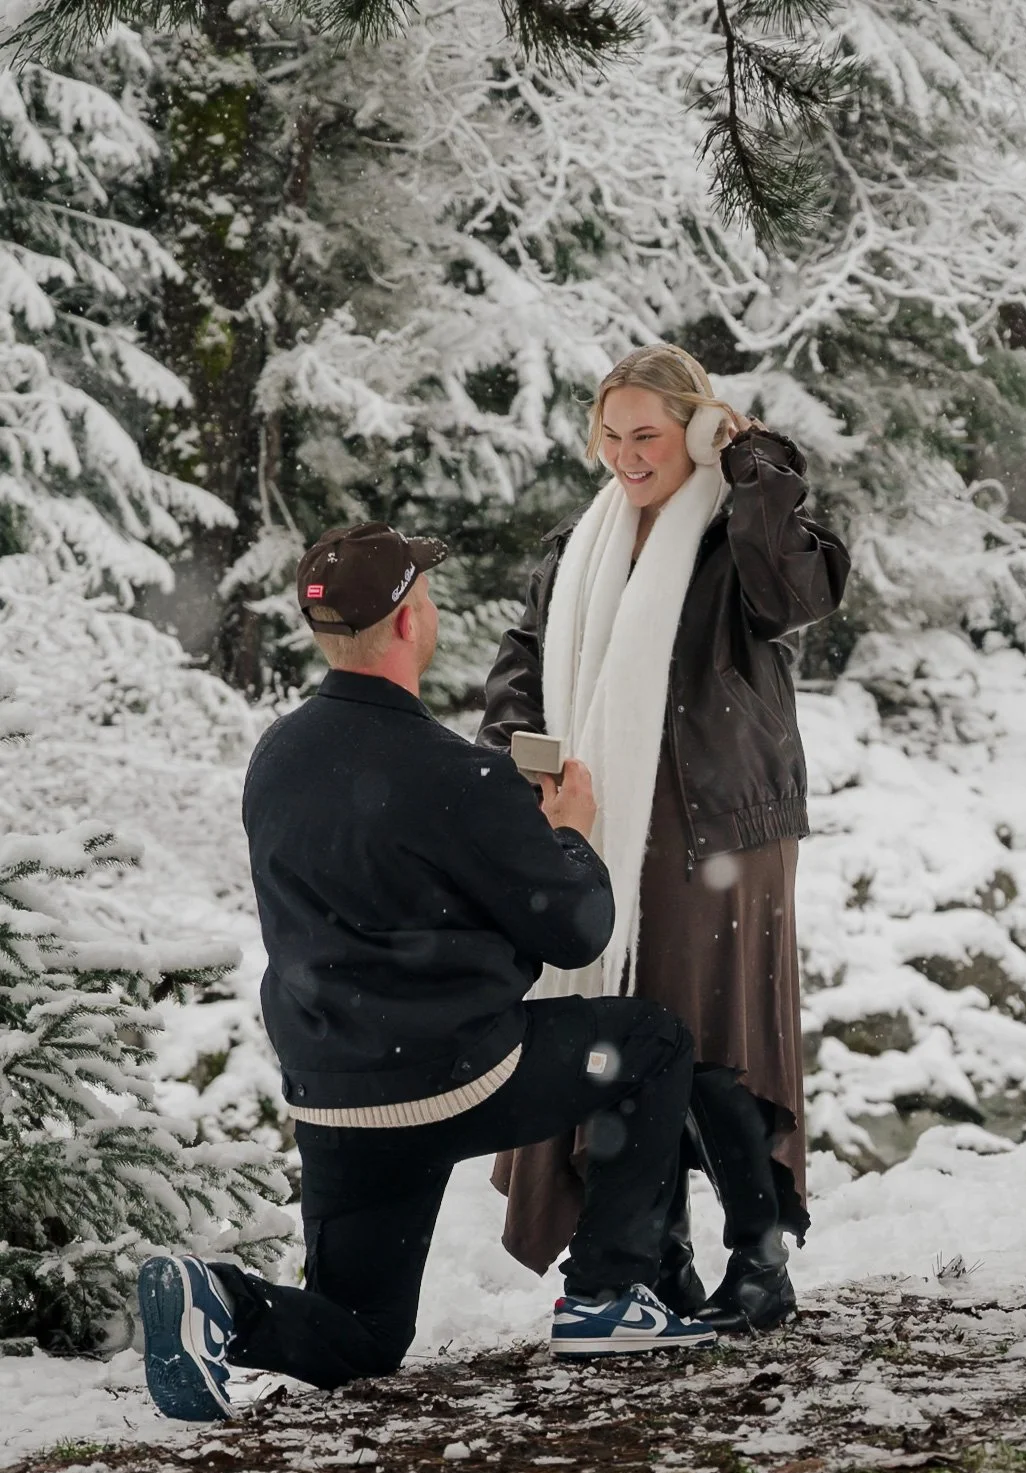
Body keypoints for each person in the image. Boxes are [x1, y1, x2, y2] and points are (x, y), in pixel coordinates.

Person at [137, 520, 720, 1424]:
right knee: (649, 1042)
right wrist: (566, 832)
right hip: (461, 1077)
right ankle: (608, 1294)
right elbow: (579, 931)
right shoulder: (461, 776)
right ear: (409, 624)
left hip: (335, 1095)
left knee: (365, 1336)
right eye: (427, 599)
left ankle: (218, 1300)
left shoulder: (276, 759)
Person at [479, 344, 851, 1333]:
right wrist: (522, 759)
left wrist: (754, 463)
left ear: (693, 429)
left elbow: (802, 594)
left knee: (713, 1035)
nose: (625, 454)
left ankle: (760, 1263)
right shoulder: (584, 543)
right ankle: (658, 1259)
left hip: (721, 826)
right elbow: (525, 653)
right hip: (612, 821)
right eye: (611, 433)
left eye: (648, 433)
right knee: (635, 1031)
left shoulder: (740, 537)